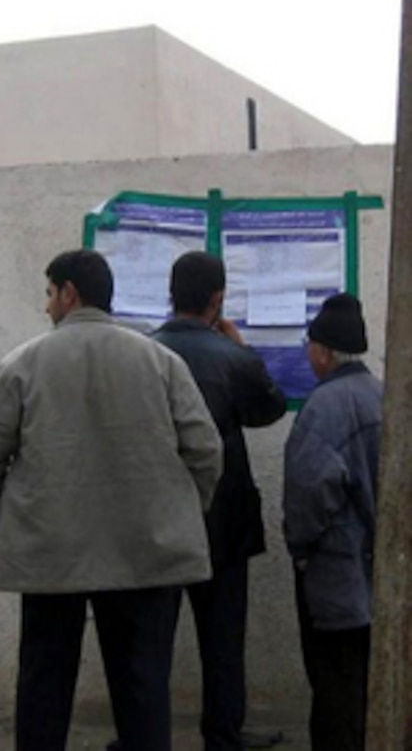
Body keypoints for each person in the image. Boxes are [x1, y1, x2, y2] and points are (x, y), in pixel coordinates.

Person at [0, 248, 223, 751]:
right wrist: (179, 517)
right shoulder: (161, 362)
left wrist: (7, 526)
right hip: (146, 551)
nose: (46, 306)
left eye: (48, 293)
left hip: (49, 553)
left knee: (44, 684)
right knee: (143, 688)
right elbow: (205, 452)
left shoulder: (23, 364)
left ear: (69, 293)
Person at [152, 251, 287, 751]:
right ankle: (223, 736)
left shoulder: (146, 353)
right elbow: (268, 409)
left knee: (151, 640)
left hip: (159, 524)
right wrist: (243, 349)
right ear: (217, 299)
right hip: (223, 525)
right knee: (223, 640)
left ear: (171, 294)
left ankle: (146, 734)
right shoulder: (232, 357)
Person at [283, 293, 382, 751]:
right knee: (368, 689)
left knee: (335, 693)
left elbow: (308, 495)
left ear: (322, 351)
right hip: (377, 579)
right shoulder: (382, 396)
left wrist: (300, 552)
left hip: (336, 579)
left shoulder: (324, 407)